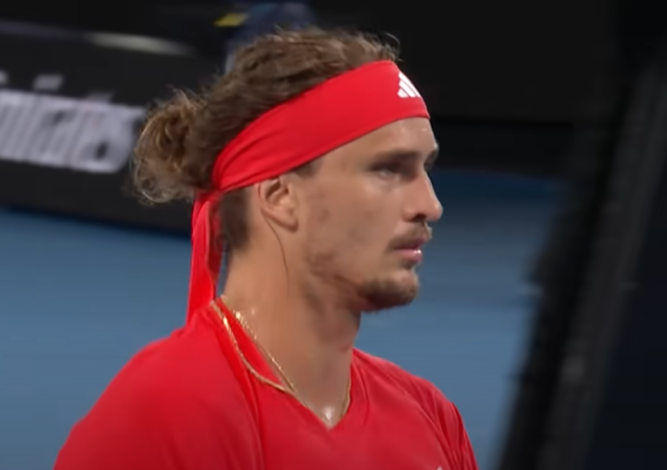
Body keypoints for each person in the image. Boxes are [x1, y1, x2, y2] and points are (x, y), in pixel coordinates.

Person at [54, 27, 478, 470]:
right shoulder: (159, 419)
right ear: (280, 197)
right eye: (388, 169)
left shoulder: (431, 415)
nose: (430, 205)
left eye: (424, 169)